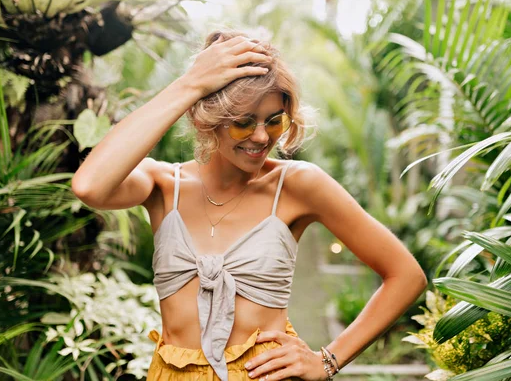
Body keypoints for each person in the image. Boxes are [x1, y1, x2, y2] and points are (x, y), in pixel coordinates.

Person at [71, 30, 428, 381]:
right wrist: (189, 85)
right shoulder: (164, 186)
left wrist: (327, 361)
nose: (261, 136)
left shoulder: (298, 185)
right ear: (203, 119)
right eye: (243, 123)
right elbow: (89, 185)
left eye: (274, 120)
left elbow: (406, 276)